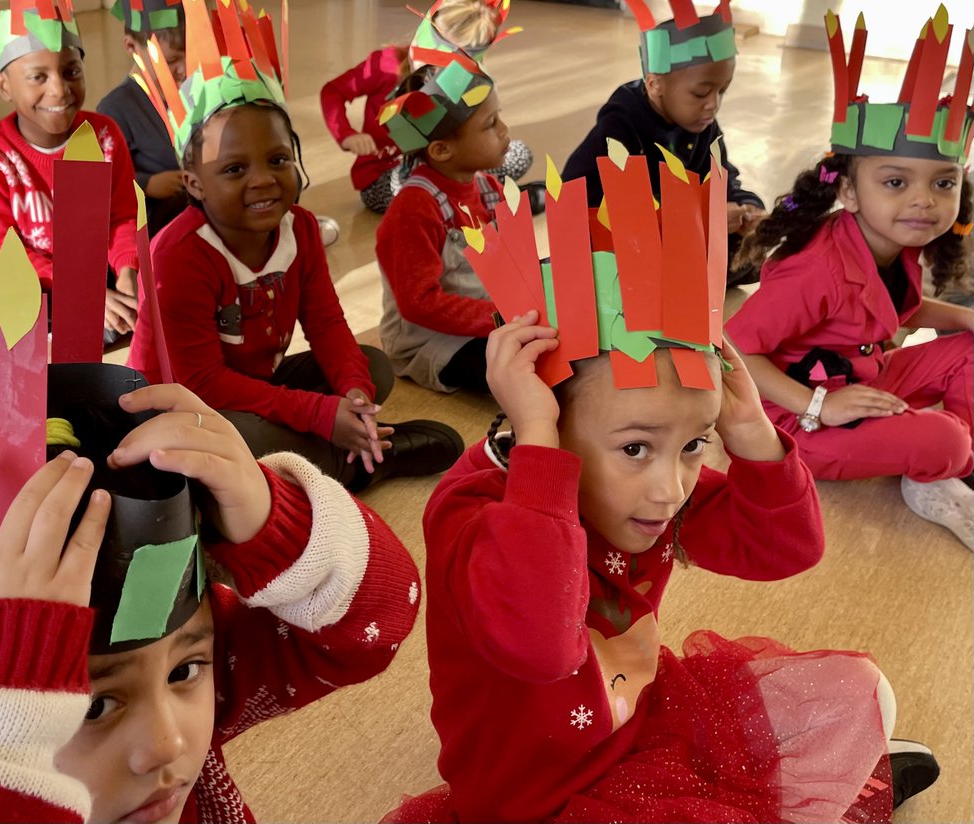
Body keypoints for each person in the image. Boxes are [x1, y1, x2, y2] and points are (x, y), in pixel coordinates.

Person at [383, 143, 937, 823]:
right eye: (637, 446)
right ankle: (814, 796)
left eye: (692, 445)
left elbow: (785, 551)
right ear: (547, 413)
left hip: (647, 724)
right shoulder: (476, 506)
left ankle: (811, 790)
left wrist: (748, 432)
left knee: (863, 689)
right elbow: (540, 643)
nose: (671, 487)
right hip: (540, 801)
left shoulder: (648, 490)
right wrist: (536, 443)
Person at [0, 365, 421, 822]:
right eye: (93, 705)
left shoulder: (187, 664)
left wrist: (276, 523)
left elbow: (376, 624)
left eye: (185, 671)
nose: (168, 744)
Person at [127, 0, 464, 490]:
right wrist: (319, 413)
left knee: (372, 368)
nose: (264, 180)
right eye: (235, 169)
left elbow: (325, 321)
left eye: (278, 159)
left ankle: (337, 453)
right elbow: (201, 383)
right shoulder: (176, 255)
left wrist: (352, 395)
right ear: (193, 183)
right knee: (239, 437)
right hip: (183, 405)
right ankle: (358, 459)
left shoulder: (300, 228)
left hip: (256, 383)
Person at [727, 7, 973, 549]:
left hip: (862, 382)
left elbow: (898, 310)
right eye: (895, 181)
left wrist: (966, 319)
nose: (923, 201)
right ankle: (944, 463)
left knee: (972, 351)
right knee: (945, 441)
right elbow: (731, 348)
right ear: (849, 191)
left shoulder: (895, 244)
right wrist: (818, 406)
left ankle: (949, 462)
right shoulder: (818, 270)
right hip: (792, 424)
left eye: (943, 183)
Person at [0, 0, 141, 340]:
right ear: (3, 85)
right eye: (37, 77)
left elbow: (122, 216)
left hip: (99, 275)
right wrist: (82, 291)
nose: (59, 89)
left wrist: (126, 270)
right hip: (30, 282)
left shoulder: (105, 135)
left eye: (71, 71)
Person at [559, 0, 766, 283]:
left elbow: (722, 179)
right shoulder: (620, 128)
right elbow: (594, 214)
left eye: (722, 91)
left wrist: (747, 206)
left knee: (750, 254)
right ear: (655, 84)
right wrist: (701, 219)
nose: (713, 105)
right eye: (701, 93)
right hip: (621, 245)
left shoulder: (702, 124)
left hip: (676, 234)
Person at [320, 0, 533, 214]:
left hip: (448, 168)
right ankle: (486, 199)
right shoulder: (385, 65)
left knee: (518, 153)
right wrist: (346, 135)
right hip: (385, 177)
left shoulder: (466, 81)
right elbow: (333, 92)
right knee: (418, 191)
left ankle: (477, 198)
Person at [374, 61, 506, 393]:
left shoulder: (489, 187)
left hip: (490, 317)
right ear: (442, 150)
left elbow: (510, 261)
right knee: (519, 372)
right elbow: (420, 304)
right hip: (430, 340)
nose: (505, 130)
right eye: (491, 124)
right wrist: (502, 317)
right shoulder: (414, 209)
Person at [96, 0, 190, 238]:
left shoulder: (196, 92)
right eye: (170, 61)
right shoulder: (116, 108)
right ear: (132, 46)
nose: (185, 69)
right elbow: (102, 179)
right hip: (156, 227)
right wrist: (146, 184)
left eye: (190, 56)